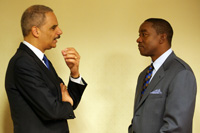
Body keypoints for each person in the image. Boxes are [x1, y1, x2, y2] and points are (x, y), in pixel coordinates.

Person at [5, 5, 87, 133]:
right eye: (53, 27)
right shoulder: (22, 63)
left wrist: (74, 73)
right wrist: (67, 102)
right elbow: (52, 110)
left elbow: (69, 101)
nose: (60, 31)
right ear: (36, 31)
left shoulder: (42, 61)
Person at [128, 18, 197, 133]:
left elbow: (177, 128)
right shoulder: (143, 75)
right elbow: (138, 118)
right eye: (139, 35)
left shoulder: (181, 73)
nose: (138, 39)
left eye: (144, 34)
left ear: (162, 38)